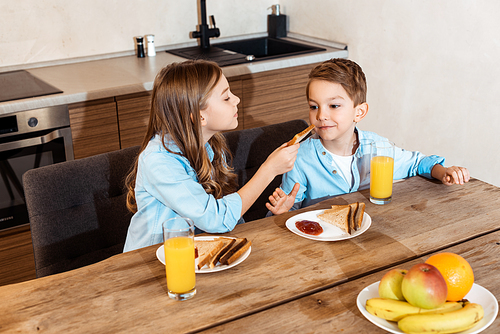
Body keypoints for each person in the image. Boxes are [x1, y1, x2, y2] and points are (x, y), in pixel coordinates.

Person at [123, 60, 299, 252]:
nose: (237, 100)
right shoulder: (159, 162)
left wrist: (273, 216)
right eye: (226, 98)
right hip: (153, 261)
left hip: (199, 253)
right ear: (199, 116)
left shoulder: (212, 146)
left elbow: (228, 215)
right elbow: (217, 219)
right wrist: (269, 169)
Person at [267, 58, 470, 214]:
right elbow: (287, 213)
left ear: (359, 112)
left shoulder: (379, 148)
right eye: (314, 106)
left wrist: (442, 172)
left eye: (334, 106)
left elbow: (418, 164)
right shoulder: (302, 159)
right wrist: (281, 212)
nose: (321, 115)